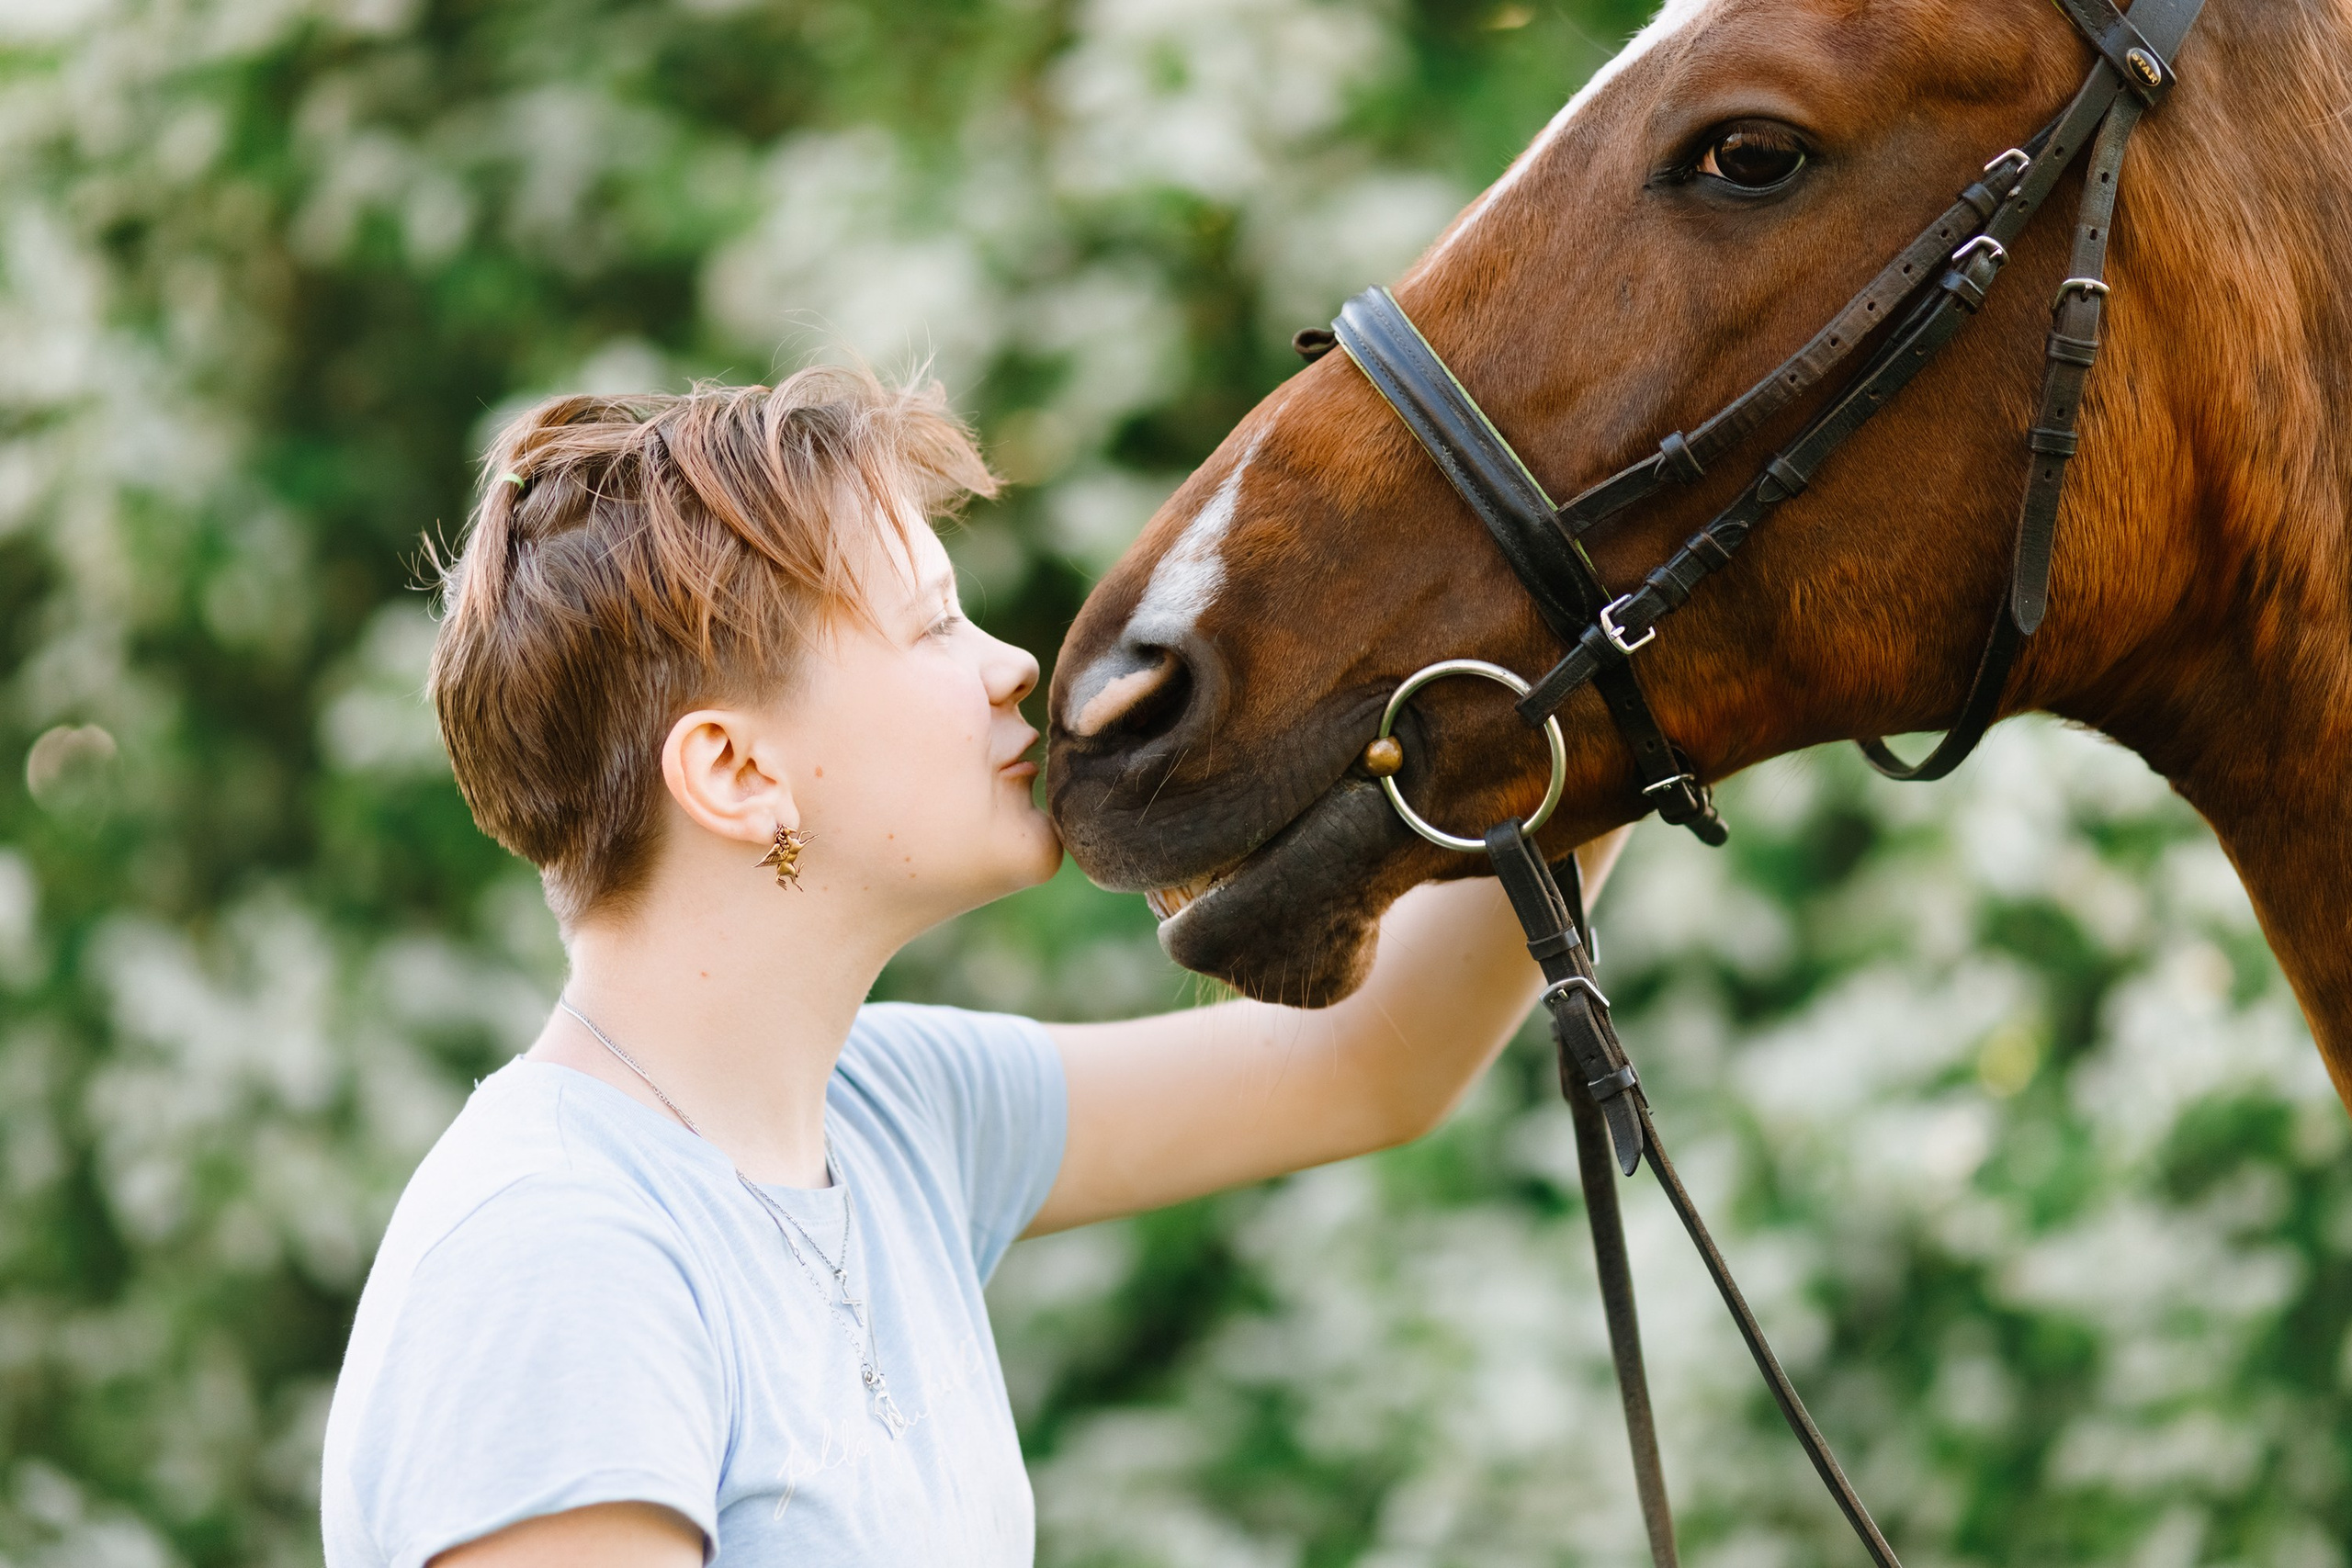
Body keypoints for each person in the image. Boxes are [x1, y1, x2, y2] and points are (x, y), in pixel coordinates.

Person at [319, 367, 1628, 1568]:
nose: (1012, 667)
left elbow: (1368, 1065)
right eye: (932, 626)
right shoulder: (557, 1250)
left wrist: (1625, 686)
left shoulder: (892, 1111)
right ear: (736, 773)